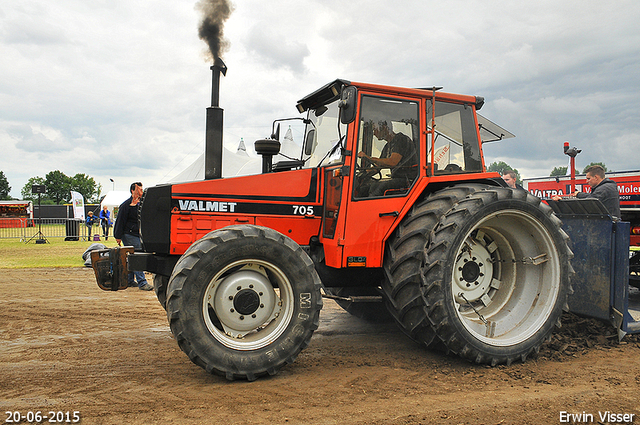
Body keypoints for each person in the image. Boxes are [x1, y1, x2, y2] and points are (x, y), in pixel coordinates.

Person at [357, 121, 418, 197]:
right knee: (364, 189)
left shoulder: (401, 139)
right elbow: (378, 167)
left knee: (377, 188)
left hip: (408, 180)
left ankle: (372, 208)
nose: (374, 133)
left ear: (384, 127)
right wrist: (361, 174)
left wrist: (369, 158)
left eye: (375, 129)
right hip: (398, 180)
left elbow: (393, 162)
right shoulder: (387, 147)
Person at [113, 182, 153, 291]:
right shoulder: (125, 205)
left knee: (132, 256)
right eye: (139, 189)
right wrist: (117, 236)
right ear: (132, 191)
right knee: (137, 256)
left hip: (136, 234)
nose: (141, 191)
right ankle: (142, 282)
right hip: (128, 234)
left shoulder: (140, 204)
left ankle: (129, 280)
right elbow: (120, 221)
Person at [552, 164, 620, 219]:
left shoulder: (603, 189)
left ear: (596, 177)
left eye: (588, 179)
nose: (586, 181)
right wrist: (579, 194)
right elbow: (591, 196)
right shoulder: (608, 187)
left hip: (606, 224)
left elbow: (589, 202)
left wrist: (562, 201)